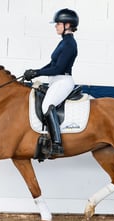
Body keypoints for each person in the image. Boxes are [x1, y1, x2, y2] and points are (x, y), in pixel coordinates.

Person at [24, 8, 79, 156]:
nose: (56, 26)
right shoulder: (64, 42)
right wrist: (35, 72)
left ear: (67, 25)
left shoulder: (69, 44)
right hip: (56, 80)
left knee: (47, 105)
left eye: (58, 24)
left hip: (63, 80)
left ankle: (57, 144)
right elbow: (52, 65)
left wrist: (38, 72)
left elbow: (59, 68)